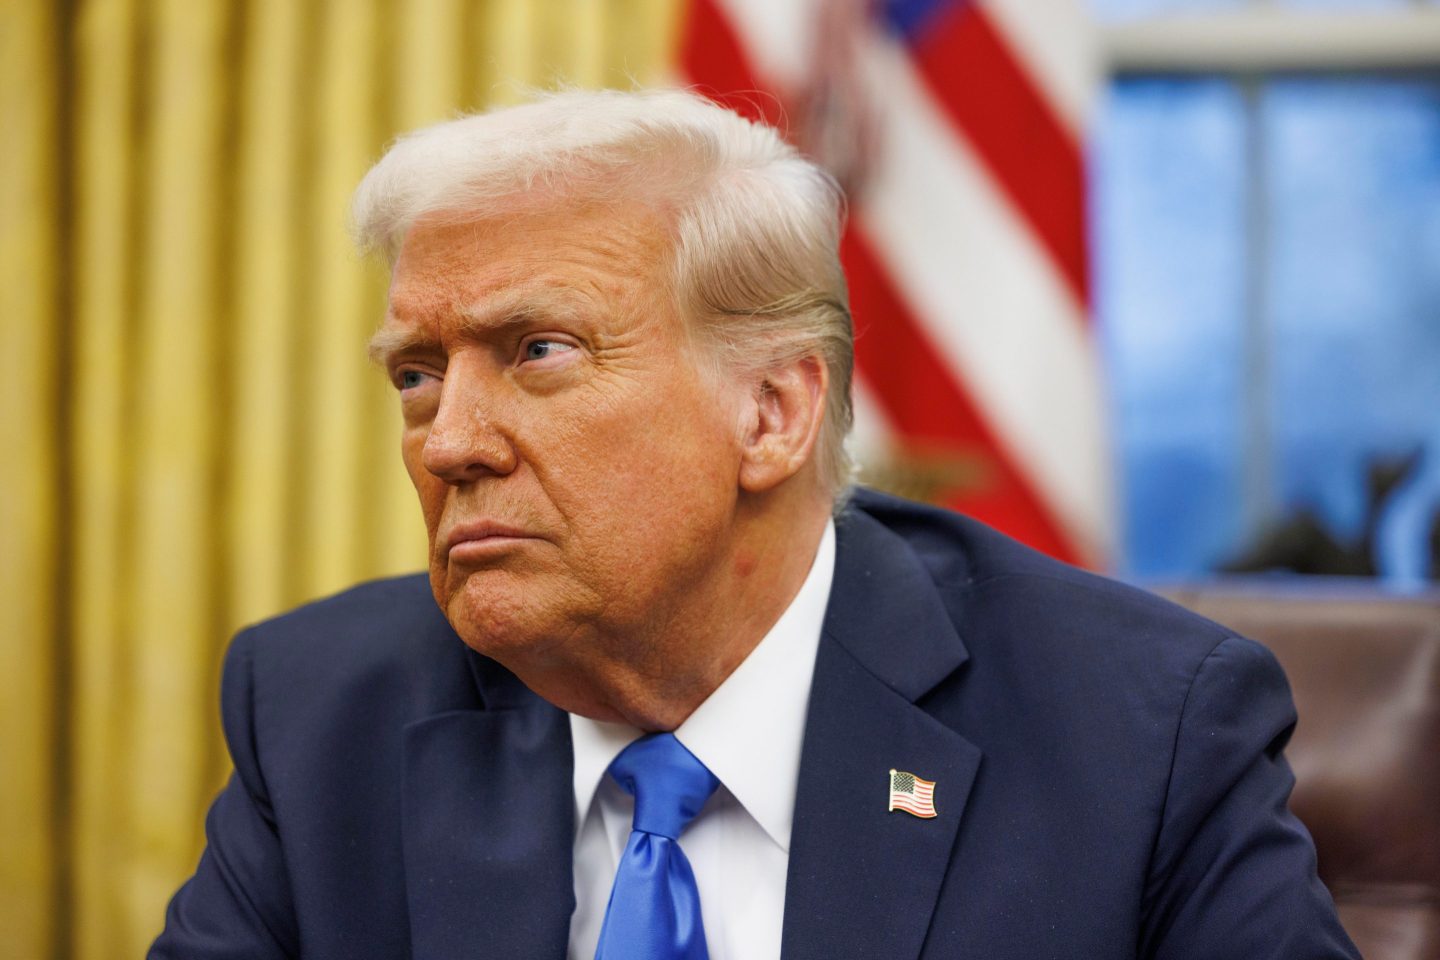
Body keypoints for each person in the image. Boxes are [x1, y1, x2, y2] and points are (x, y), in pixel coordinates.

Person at [151, 89, 1359, 960]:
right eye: (416, 373)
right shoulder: (321, 712)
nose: (451, 439)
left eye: (540, 352)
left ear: (772, 413)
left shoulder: (1137, 733)